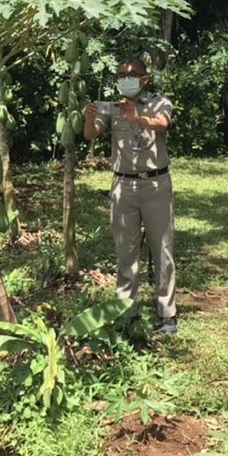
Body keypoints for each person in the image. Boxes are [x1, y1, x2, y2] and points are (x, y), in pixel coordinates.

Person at [83, 57, 178, 335]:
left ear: (145, 79)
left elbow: (163, 124)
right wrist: (89, 117)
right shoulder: (111, 108)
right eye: (122, 73)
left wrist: (138, 118)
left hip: (156, 184)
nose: (127, 77)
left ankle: (167, 315)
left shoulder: (160, 102)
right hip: (123, 186)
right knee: (126, 252)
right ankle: (126, 311)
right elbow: (90, 134)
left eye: (133, 73)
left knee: (163, 250)